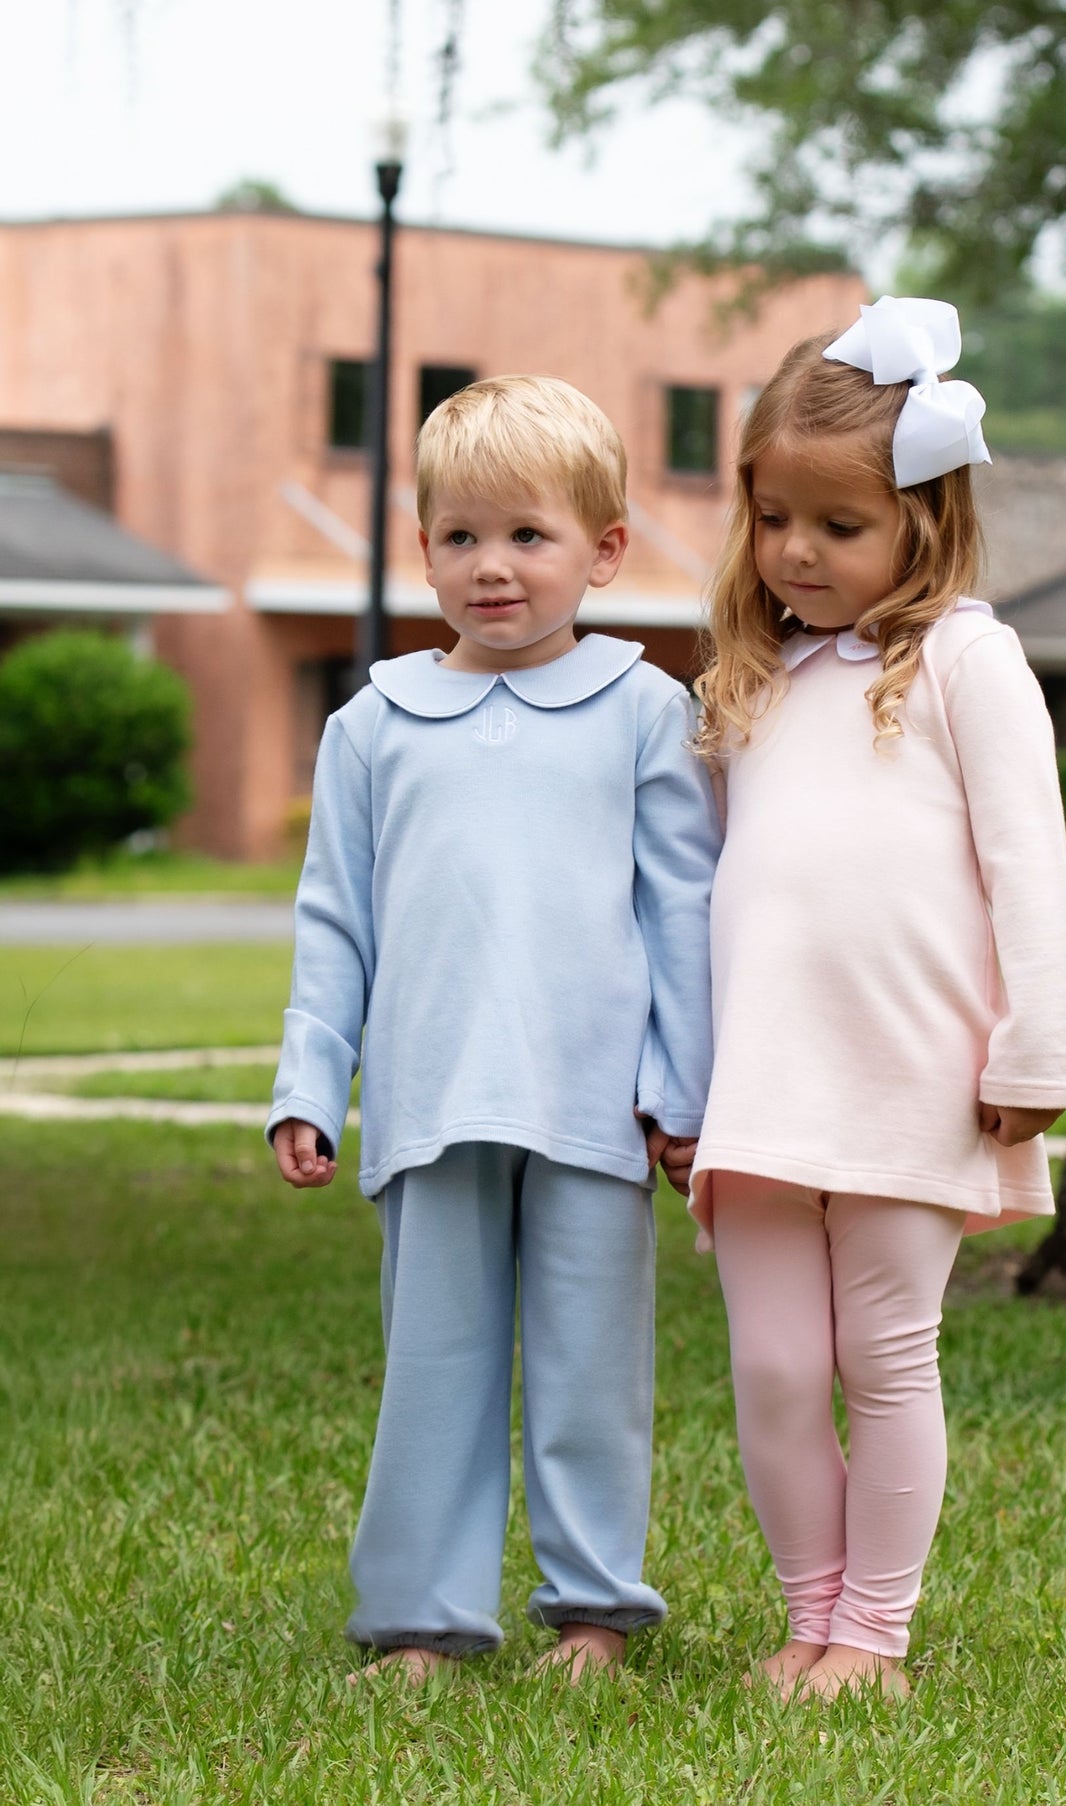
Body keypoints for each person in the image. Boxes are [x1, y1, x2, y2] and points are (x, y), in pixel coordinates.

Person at [267, 375, 718, 1685]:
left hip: (592, 1109)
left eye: (528, 535)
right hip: (428, 1102)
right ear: (423, 550)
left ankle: (592, 1614)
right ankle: (419, 1620)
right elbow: (332, 920)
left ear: (605, 549)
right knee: (434, 1374)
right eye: (461, 537)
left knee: (591, 1377)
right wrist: (311, 1079)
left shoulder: (645, 714)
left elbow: (677, 913)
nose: (493, 567)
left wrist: (678, 1089)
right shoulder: (370, 729)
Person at [689, 297, 1066, 1700]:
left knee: (882, 1352)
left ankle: (873, 1634)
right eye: (772, 516)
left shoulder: (967, 662)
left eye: (836, 526)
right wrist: (682, 1079)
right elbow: (711, 902)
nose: (795, 550)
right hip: (760, 1086)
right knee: (780, 1369)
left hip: (914, 1074)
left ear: (926, 521)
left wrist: (1036, 1048)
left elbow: (1026, 868)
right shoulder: (746, 681)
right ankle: (805, 1616)